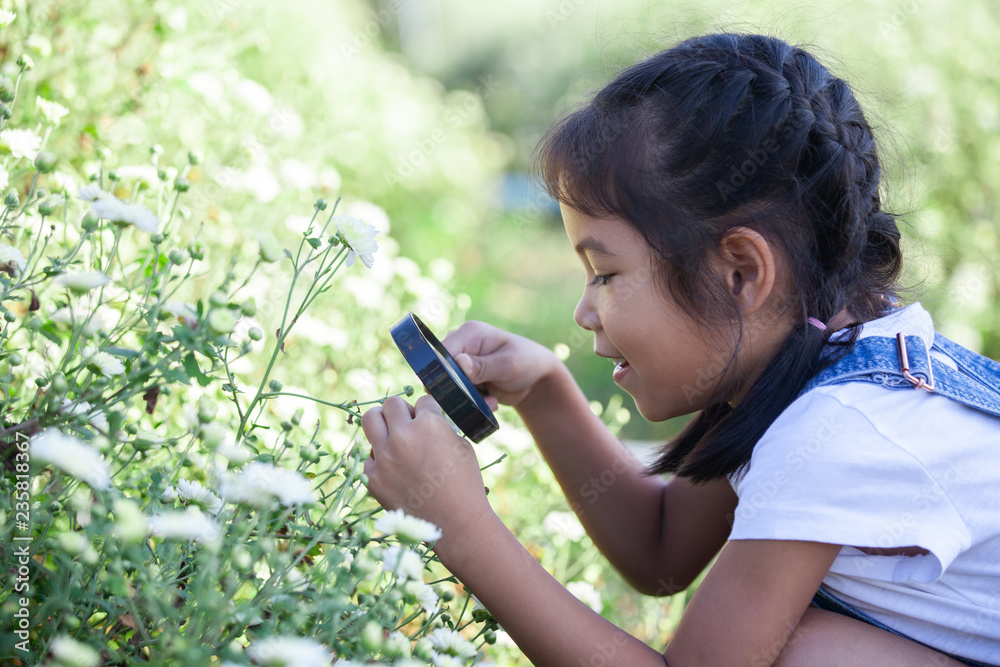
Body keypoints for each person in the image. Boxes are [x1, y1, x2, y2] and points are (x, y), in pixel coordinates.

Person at [360, 33, 1000, 666]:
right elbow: (662, 550)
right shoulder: (802, 352)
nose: (584, 312)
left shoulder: (839, 430)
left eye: (604, 274)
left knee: (805, 655)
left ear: (741, 273)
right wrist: (544, 389)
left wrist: (457, 525)